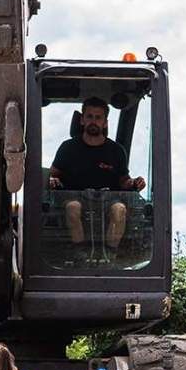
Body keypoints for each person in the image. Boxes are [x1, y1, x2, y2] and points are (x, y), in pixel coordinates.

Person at [49, 97, 145, 253]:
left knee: (120, 209)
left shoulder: (116, 151)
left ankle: (110, 255)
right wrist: (52, 180)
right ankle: (80, 253)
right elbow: (53, 175)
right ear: (82, 120)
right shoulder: (67, 148)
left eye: (98, 117)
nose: (93, 121)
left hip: (107, 200)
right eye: (89, 116)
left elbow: (124, 180)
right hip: (74, 198)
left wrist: (134, 182)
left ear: (105, 122)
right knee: (73, 207)